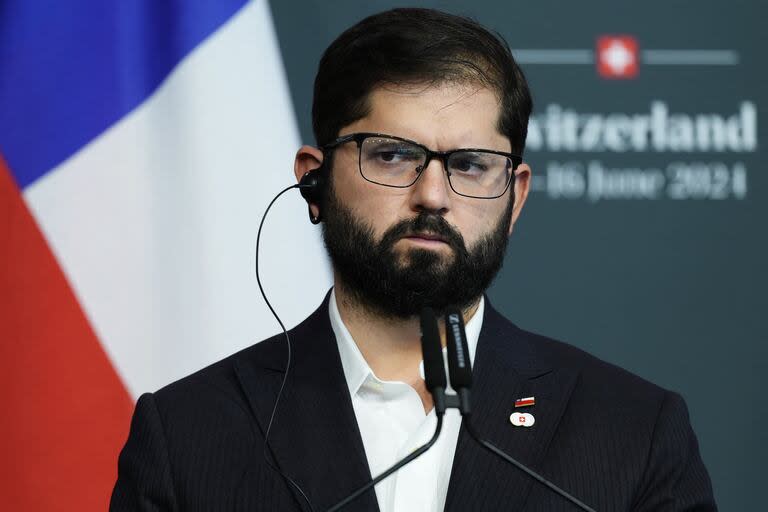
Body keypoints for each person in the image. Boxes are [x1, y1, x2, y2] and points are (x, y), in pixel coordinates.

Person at [110, 8, 716, 512]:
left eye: (471, 164)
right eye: (394, 155)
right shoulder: (188, 434)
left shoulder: (633, 432)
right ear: (313, 182)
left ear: (515, 196)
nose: (432, 195)